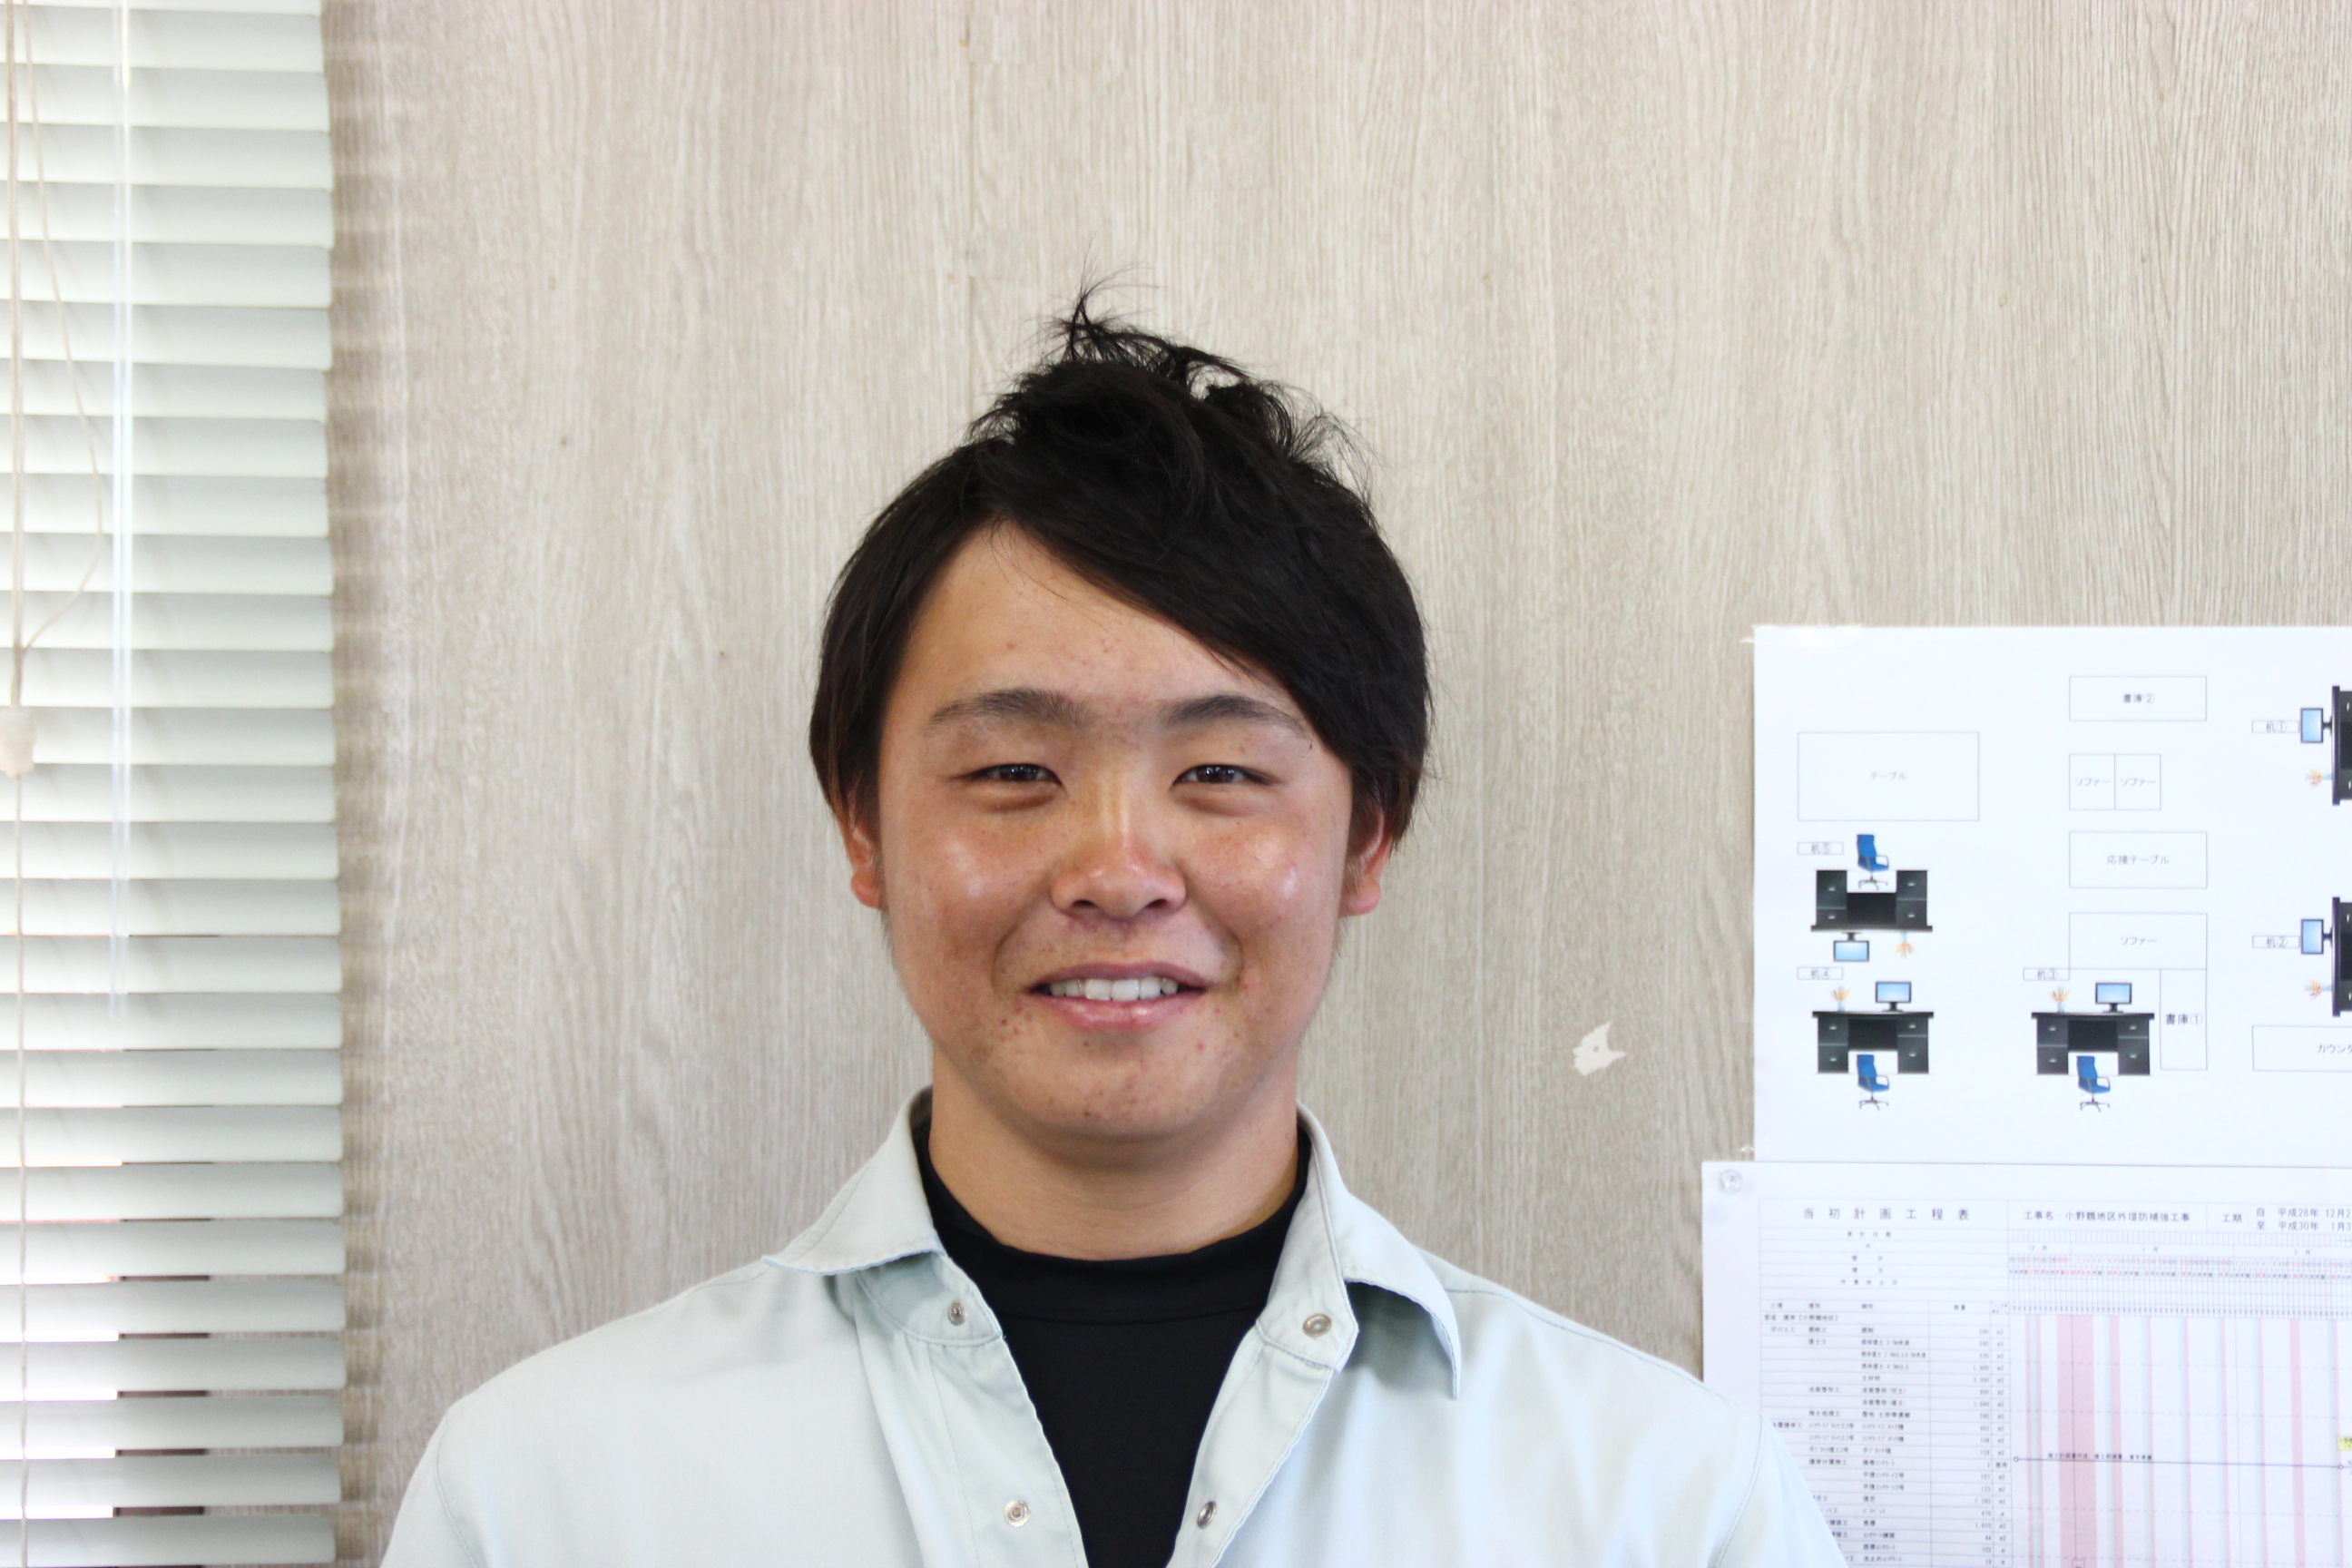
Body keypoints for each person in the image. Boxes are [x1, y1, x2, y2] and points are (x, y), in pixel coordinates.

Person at [382, 303, 1843, 1567]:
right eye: (1016, 770)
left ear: (1368, 834)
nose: (1118, 871)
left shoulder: (1665, 1503)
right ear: (863, 826)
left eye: (1222, 774)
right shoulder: (549, 1493)